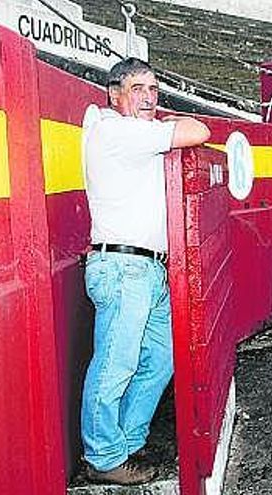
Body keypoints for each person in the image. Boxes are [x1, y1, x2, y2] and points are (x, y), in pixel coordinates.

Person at [81, 57, 210, 485]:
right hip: (123, 267)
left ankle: (127, 442)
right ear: (114, 94)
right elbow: (199, 131)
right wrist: (163, 119)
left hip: (147, 269)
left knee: (162, 358)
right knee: (115, 365)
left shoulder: (131, 132)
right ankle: (103, 457)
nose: (149, 97)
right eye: (138, 89)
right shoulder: (117, 130)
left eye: (154, 89)